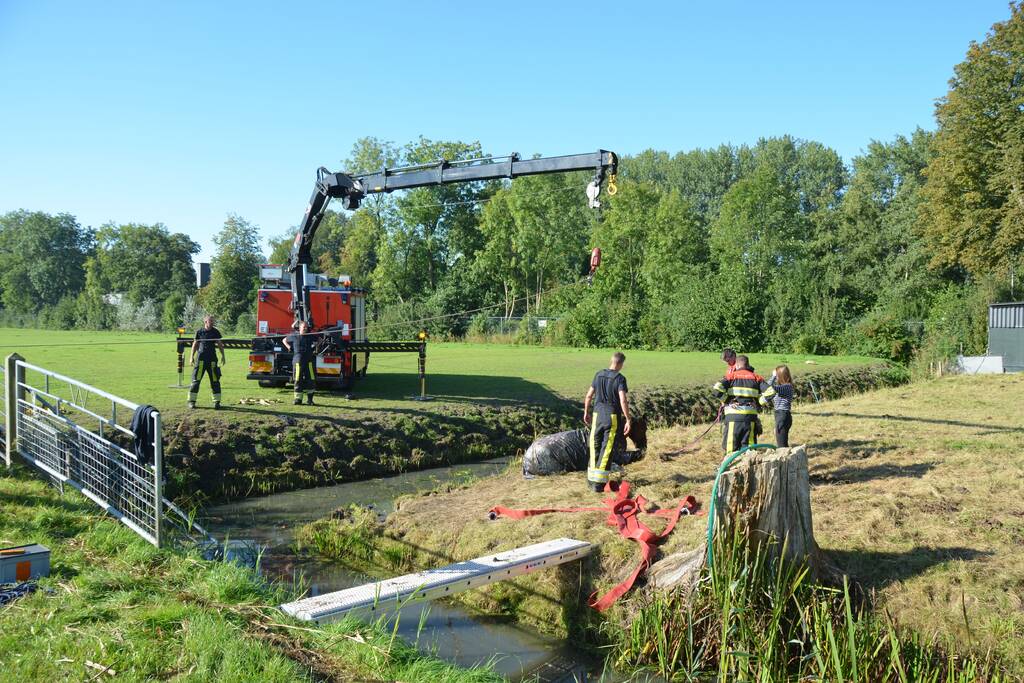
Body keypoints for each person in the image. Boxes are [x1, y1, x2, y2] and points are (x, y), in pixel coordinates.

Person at [583, 352, 631, 492]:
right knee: (607, 448)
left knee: (594, 445)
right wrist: (628, 419)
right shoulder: (620, 378)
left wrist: (586, 412)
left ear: (611, 361)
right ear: (621, 364)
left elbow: (589, 395)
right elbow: (623, 400)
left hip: (597, 415)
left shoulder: (598, 375)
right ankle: (598, 484)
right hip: (611, 416)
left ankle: (591, 480)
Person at [712, 354, 774, 454]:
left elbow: (716, 389)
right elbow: (771, 392)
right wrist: (758, 403)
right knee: (749, 450)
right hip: (750, 418)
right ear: (748, 365)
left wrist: (729, 401)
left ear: (736, 365)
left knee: (731, 449)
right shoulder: (756, 377)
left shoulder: (731, 376)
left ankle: (731, 463)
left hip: (733, 416)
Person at [188, 315, 225, 409]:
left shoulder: (215, 332)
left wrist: (223, 356)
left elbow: (220, 344)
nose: (212, 323)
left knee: (215, 381)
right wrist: (191, 357)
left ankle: (217, 402)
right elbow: (195, 344)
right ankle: (191, 402)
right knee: (196, 381)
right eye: (210, 321)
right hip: (201, 360)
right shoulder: (199, 332)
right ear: (205, 322)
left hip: (212, 360)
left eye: (213, 321)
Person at [284, 320, 317, 406]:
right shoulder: (294, 336)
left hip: (309, 361)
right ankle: (298, 399)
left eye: (306, 327)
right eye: (304, 327)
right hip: (298, 361)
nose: (305, 328)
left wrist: (315, 347)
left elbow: (320, 339)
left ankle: (310, 400)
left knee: (311, 379)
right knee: (298, 379)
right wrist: (289, 347)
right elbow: (284, 340)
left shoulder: (310, 336)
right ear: (300, 328)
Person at [769, 365, 794, 447]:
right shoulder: (785, 387)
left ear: (781, 376)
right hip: (781, 415)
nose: (776, 378)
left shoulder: (787, 387)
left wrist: (773, 376)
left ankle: (786, 455)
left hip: (782, 415)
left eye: (777, 376)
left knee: (782, 445)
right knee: (782, 442)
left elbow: (768, 386)